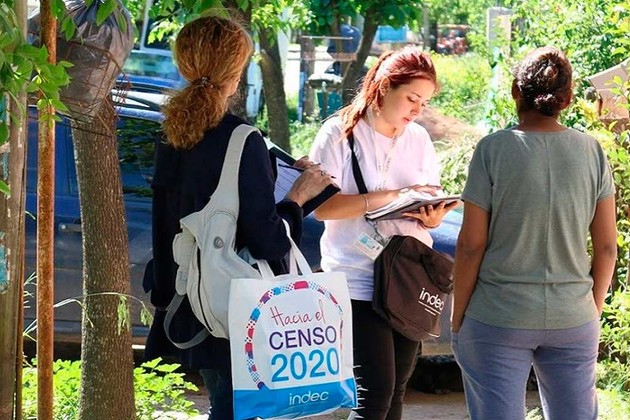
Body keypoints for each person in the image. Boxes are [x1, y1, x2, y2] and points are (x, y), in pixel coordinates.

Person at [142, 15, 333, 419]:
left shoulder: (171, 135)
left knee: (225, 406)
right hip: (237, 305)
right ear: (236, 70)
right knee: (238, 410)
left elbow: (173, 217)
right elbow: (268, 240)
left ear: (184, 64)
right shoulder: (241, 139)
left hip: (190, 298)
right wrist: (297, 197)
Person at [451, 47, 617, 420]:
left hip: (497, 316)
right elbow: (607, 247)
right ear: (568, 99)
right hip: (573, 315)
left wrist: (458, 319)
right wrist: (591, 310)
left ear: (515, 91)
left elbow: (471, 245)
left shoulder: (493, 149)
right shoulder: (591, 151)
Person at [309, 47, 459, 420]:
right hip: (356, 277)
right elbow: (322, 208)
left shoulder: (418, 139)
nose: (417, 110)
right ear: (383, 87)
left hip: (407, 277)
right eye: (411, 98)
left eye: (424, 102)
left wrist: (431, 217)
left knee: (395, 394)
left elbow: (428, 200)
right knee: (374, 394)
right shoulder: (339, 133)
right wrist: (392, 196)